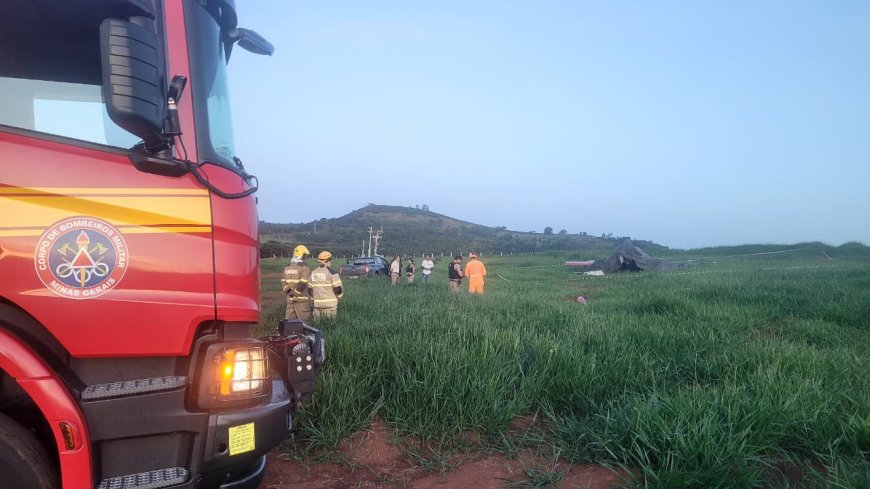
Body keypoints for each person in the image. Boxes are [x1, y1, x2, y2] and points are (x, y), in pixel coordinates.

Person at [308, 250, 343, 320]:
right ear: (327, 261)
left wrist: (313, 300)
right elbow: (338, 289)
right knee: (329, 327)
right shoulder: (332, 273)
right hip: (330, 306)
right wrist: (339, 298)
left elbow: (309, 290)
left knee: (317, 328)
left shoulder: (313, 273)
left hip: (317, 306)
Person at [281, 244, 312, 321]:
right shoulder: (304, 267)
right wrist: (296, 293)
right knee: (305, 324)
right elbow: (303, 282)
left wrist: (289, 292)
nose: (305, 258)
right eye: (305, 255)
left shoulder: (287, 267)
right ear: (302, 255)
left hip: (290, 299)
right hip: (302, 300)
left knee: (289, 323)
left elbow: (283, 281)